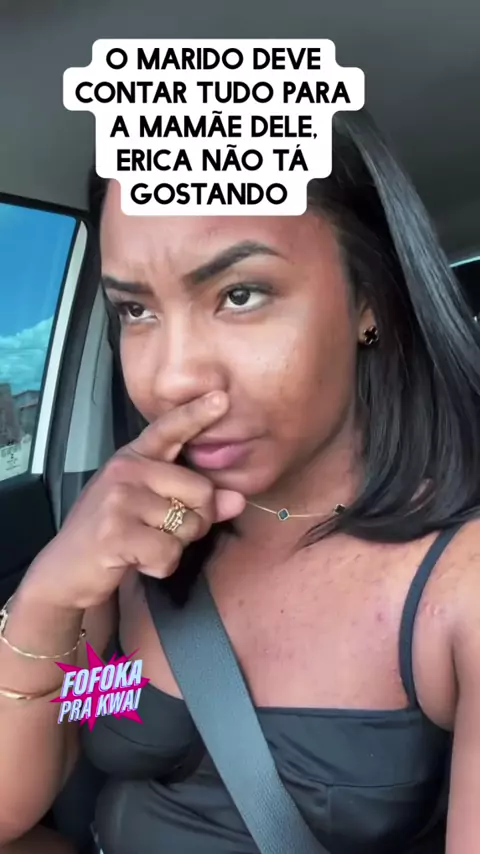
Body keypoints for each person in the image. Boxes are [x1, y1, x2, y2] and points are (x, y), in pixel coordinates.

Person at [1, 108, 480, 854]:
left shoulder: (460, 582)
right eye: (136, 310)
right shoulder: (130, 538)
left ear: (371, 299)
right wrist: (47, 599)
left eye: (240, 293)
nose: (171, 379)